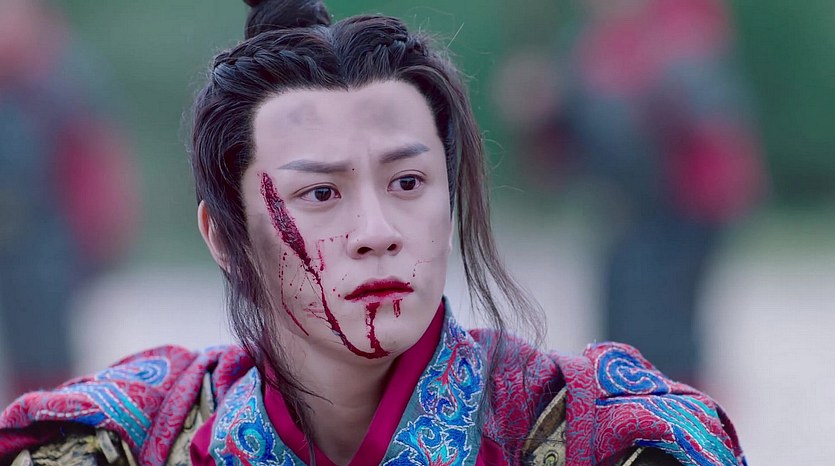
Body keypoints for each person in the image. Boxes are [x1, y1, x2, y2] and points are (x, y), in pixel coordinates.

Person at [0, 1, 746, 465]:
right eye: (320, 193)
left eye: (408, 183)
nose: (376, 232)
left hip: (669, 226)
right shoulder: (120, 440)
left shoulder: (609, 439)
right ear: (223, 238)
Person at [493, 0, 764, 384]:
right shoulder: (588, 44)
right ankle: (633, 405)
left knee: (666, 333)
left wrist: (571, 97)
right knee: (620, 333)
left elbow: (684, 119)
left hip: (686, 207)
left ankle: (682, 409)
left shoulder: (681, 30)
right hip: (628, 211)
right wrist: (540, 113)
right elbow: (562, 158)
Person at [0, 0, 138, 403]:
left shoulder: (61, 84)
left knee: (43, 354)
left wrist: (101, 232)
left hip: (47, 244)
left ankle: (39, 423)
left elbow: (95, 163)